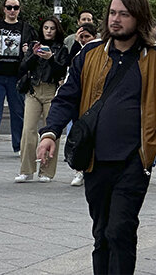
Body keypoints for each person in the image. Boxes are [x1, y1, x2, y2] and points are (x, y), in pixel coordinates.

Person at [37, 0, 156, 275]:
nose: (116, 19)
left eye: (124, 14)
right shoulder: (89, 53)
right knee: (101, 233)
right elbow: (67, 96)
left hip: (133, 161)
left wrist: (152, 146)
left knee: (120, 230)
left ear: (139, 18)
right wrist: (50, 132)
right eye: (113, 13)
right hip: (95, 160)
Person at [15, 17, 69, 183]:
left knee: (51, 131)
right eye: (46, 28)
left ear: (56, 30)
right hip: (33, 90)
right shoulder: (34, 45)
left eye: (52, 28)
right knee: (28, 130)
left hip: (52, 91)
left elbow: (61, 71)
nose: (48, 31)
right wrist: (34, 54)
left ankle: (46, 171)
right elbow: (23, 68)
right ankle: (26, 170)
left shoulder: (61, 48)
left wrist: (51, 58)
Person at [0, 0, 36, 155]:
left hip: (17, 75)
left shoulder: (26, 28)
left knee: (18, 112)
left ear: (19, 9)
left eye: (15, 7)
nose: (12, 10)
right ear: (4, 9)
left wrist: (29, 51)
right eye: (9, 7)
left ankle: (18, 146)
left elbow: (35, 49)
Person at [67, 22, 98, 187]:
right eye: (82, 36)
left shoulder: (99, 50)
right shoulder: (78, 49)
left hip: (93, 99)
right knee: (78, 134)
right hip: (78, 98)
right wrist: (77, 42)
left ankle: (89, 167)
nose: (84, 39)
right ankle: (79, 171)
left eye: (87, 37)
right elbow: (69, 62)